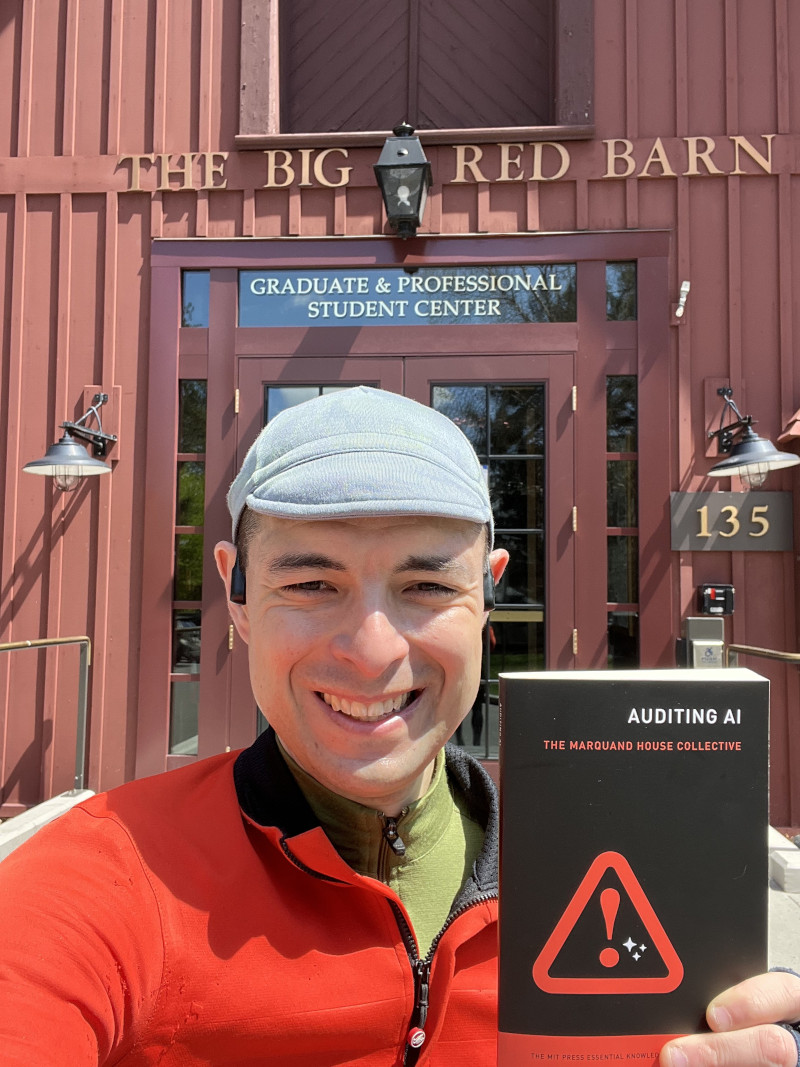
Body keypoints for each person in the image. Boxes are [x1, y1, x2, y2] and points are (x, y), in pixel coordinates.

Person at [0, 386, 798, 1066]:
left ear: (487, 596)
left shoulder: (630, 877)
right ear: (237, 597)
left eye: (424, 584)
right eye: (312, 581)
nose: (373, 650)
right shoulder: (105, 878)